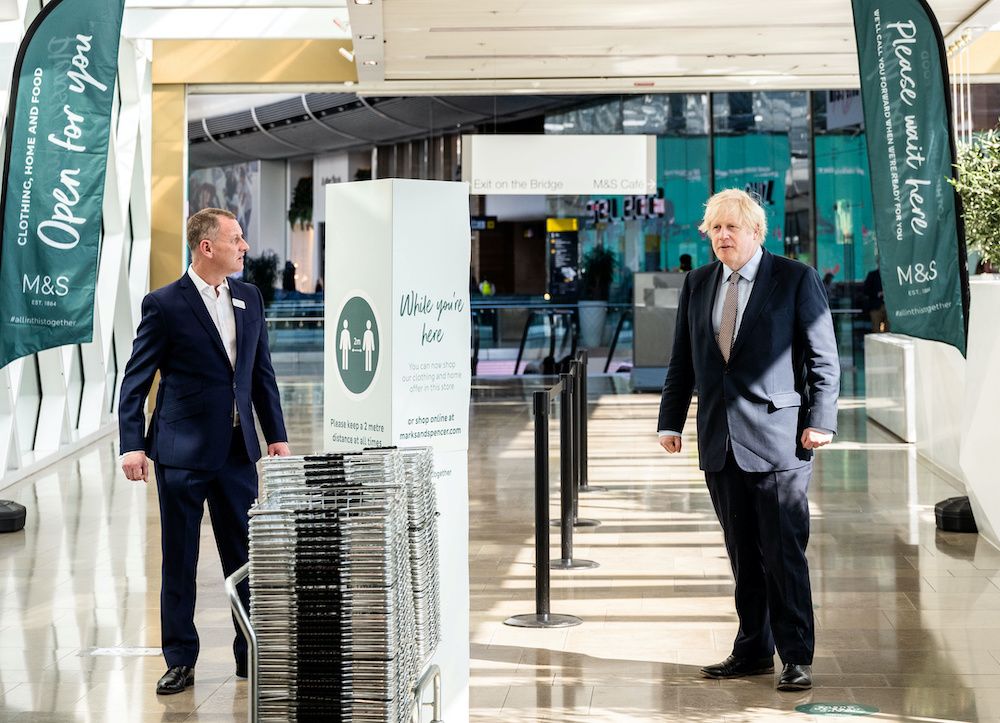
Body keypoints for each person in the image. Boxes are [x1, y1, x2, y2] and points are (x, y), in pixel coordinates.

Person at [657, 189, 839, 692]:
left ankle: (796, 655)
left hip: (780, 440)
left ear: (757, 232)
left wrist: (821, 419)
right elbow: (683, 361)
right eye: (715, 228)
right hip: (720, 440)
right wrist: (670, 422)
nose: (723, 237)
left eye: (732, 227)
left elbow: (823, 356)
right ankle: (753, 650)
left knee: (783, 553)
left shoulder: (795, 279)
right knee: (742, 555)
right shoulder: (696, 284)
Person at [119, 208, 290, 695]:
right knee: (181, 559)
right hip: (181, 454)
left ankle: (249, 653)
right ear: (206, 247)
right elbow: (136, 381)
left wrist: (275, 435)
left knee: (245, 557)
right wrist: (132, 445)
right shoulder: (165, 304)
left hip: (237, 453)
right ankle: (180, 658)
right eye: (237, 239)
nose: (245, 247)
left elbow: (261, 373)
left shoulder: (249, 297)